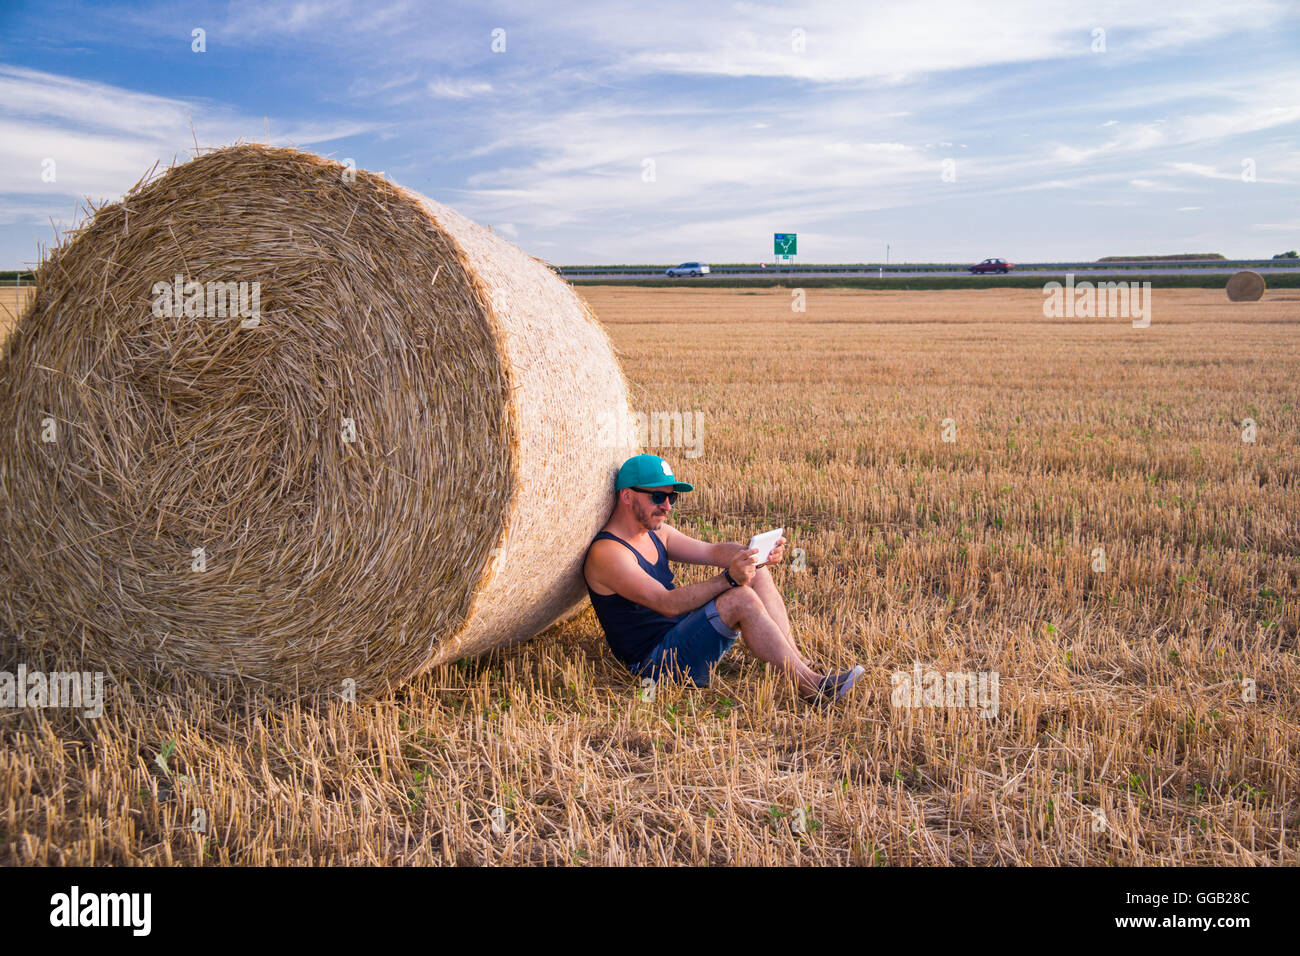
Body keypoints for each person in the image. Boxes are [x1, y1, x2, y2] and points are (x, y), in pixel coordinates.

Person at [582, 454, 864, 708]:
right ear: (628, 496)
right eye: (658, 497)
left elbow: (713, 551)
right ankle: (812, 687)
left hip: (680, 634)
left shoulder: (657, 533)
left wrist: (751, 555)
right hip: (655, 664)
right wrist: (729, 578)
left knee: (756, 572)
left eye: (672, 498)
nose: (667, 506)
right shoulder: (608, 553)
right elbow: (665, 603)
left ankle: (800, 663)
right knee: (740, 598)